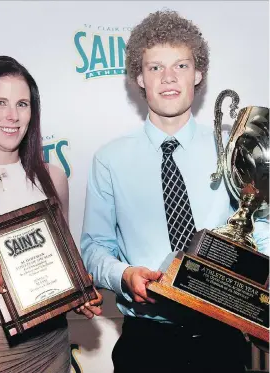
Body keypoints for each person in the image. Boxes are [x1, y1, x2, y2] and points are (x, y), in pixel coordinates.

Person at [81, 10, 269, 373]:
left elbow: (258, 230)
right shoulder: (109, 159)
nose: (168, 78)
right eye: (155, 68)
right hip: (145, 343)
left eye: (180, 66)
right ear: (139, 76)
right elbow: (94, 248)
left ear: (198, 74)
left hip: (222, 342)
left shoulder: (232, 150)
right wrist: (125, 275)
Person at [0, 55, 102, 373]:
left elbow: (61, 267)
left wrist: (79, 294)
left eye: (22, 104)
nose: (12, 116)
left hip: (49, 346)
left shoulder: (53, 179)